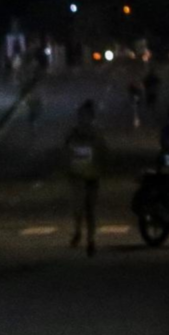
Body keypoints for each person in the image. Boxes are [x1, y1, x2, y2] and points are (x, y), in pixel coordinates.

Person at [65, 100, 107, 258]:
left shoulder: (96, 133)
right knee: (79, 207)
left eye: (87, 116)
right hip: (78, 175)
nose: (84, 118)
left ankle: (90, 240)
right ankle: (78, 231)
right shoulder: (74, 132)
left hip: (92, 175)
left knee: (90, 208)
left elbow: (103, 151)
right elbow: (67, 149)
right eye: (82, 116)